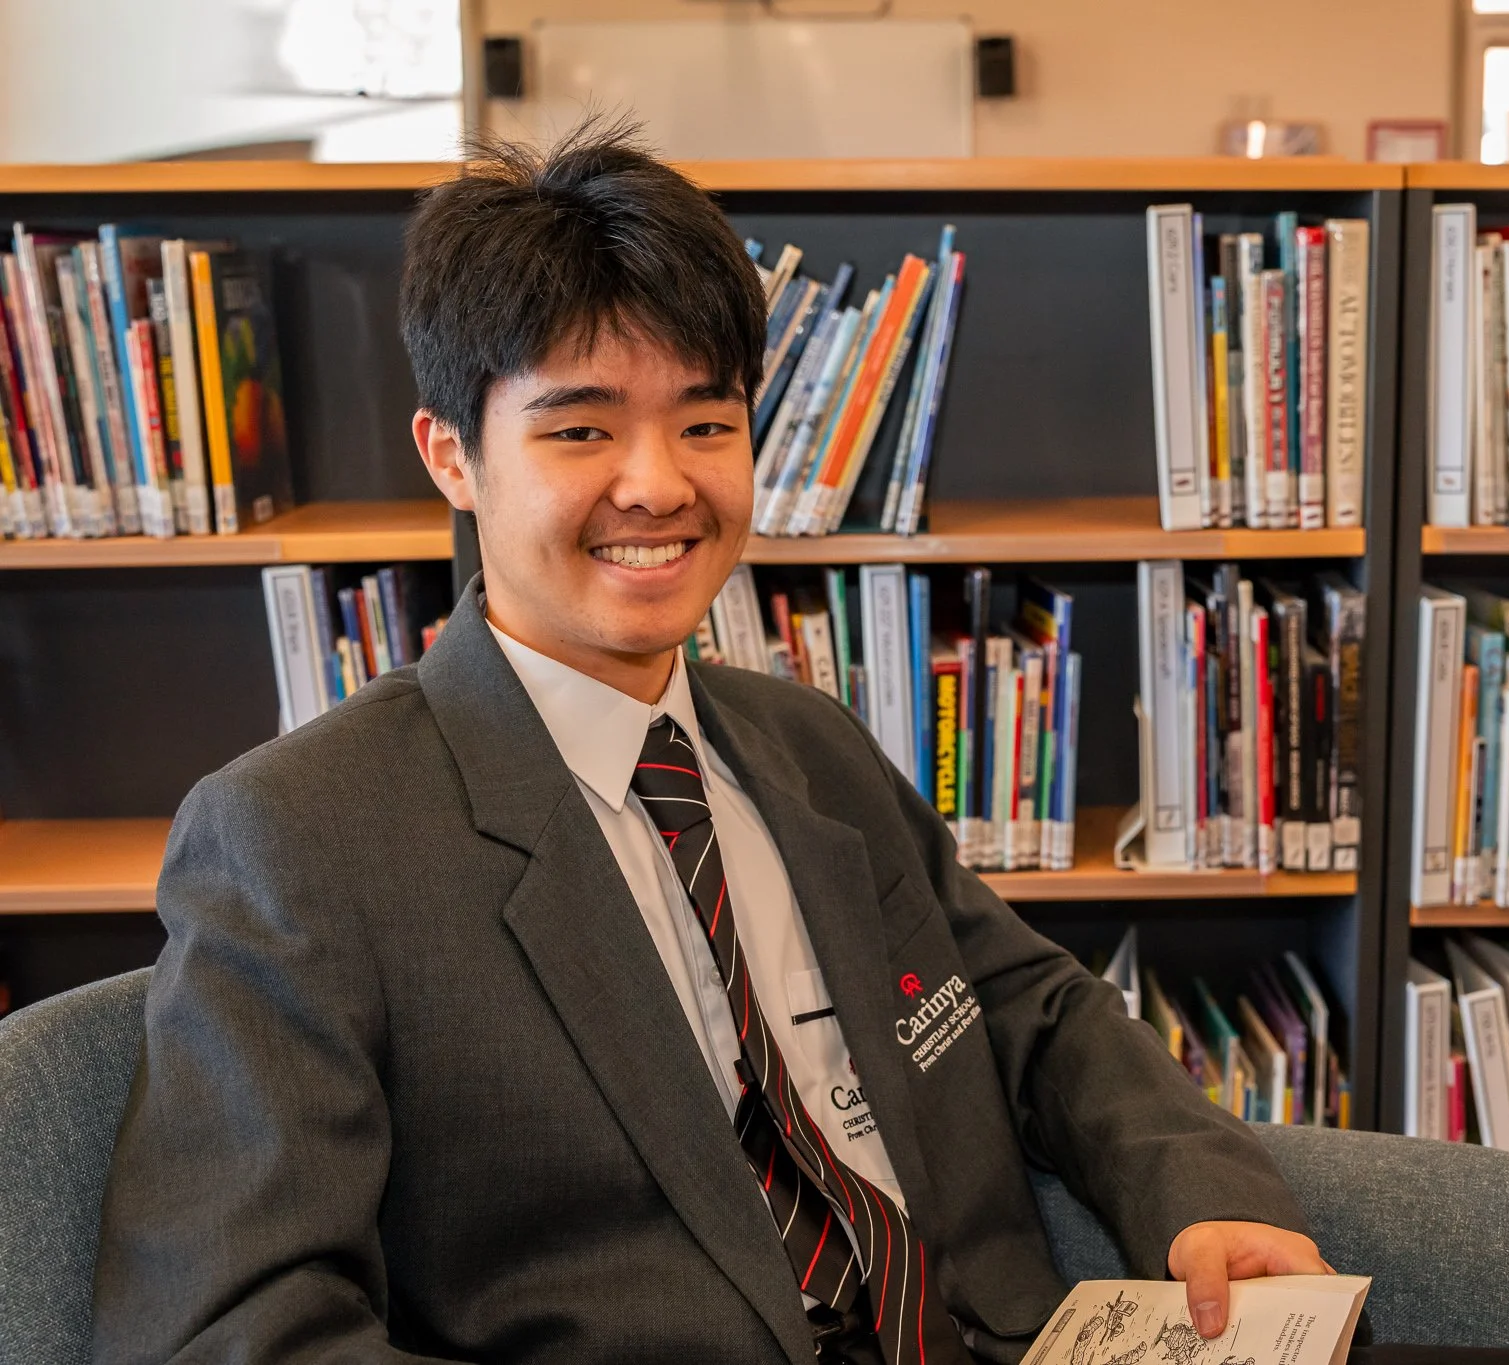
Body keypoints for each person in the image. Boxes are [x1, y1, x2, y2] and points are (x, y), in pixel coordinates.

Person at [89, 121, 1328, 1365]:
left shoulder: (804, 742)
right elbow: (226, 1328)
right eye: (579, 431)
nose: (658, 485)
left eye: (704, 422)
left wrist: (1196, 1190)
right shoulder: (301, 838)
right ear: (453, 456)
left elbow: (1021, 1002)